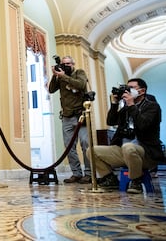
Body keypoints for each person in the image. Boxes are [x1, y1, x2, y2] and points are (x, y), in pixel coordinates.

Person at [88, 78, 163, 194]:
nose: (127, 91)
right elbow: (111, 121)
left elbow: (143, 125)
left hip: (146, 153)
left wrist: (132, 105)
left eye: (131, 88)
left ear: (142, 91)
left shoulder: (152, 107)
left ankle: (136, 180)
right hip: (123, 152)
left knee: (128, 147)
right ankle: (110, 179)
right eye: (126, 88)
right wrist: (114, 104)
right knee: (91, 151)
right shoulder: (125, 109)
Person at [49, 55, 91, 184]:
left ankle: (89, 174)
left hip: (80, 115)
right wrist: (55, 75)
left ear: (73, 64)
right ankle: (76, 173)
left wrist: (64, 76)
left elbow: (81, 84)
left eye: (68, 64)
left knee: (85, 144)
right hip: (67, 116)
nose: (65, 66)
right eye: (63, 64)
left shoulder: (79, 73)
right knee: (69, 147)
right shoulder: (60, 77)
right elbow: (51, 90)